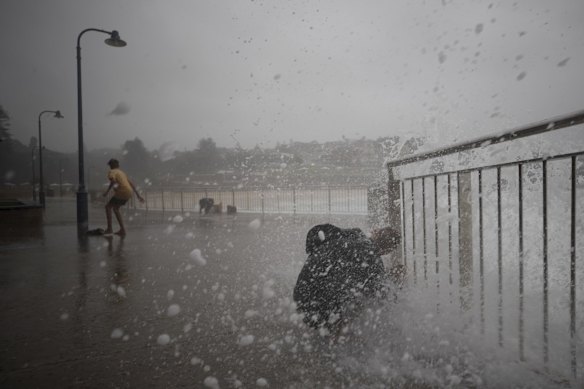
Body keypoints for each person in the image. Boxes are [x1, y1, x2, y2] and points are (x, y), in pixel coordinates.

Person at [293, 223, 401, 333]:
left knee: (348, 293)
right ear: (387, 251)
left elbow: (318, 229)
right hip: (315, 306)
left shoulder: (354, 233)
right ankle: (336, 336)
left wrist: (312, 250)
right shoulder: (374, 263)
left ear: (376, 232)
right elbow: (381, 299)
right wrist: (392, 280)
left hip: (303, 287)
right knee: (358, 307)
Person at [102, 159, 144, 236]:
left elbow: (113, 181)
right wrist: (138, 195)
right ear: (118, 165)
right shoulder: (122, 173)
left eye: (110, 165)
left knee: (108, 207)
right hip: (129, 192)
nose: (110, 167)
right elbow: (131, 183)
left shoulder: (112, 172)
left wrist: (107, 192)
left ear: (111, 165)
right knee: (115, 209)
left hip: (122, 191)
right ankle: (122, 230)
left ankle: (110, 229)